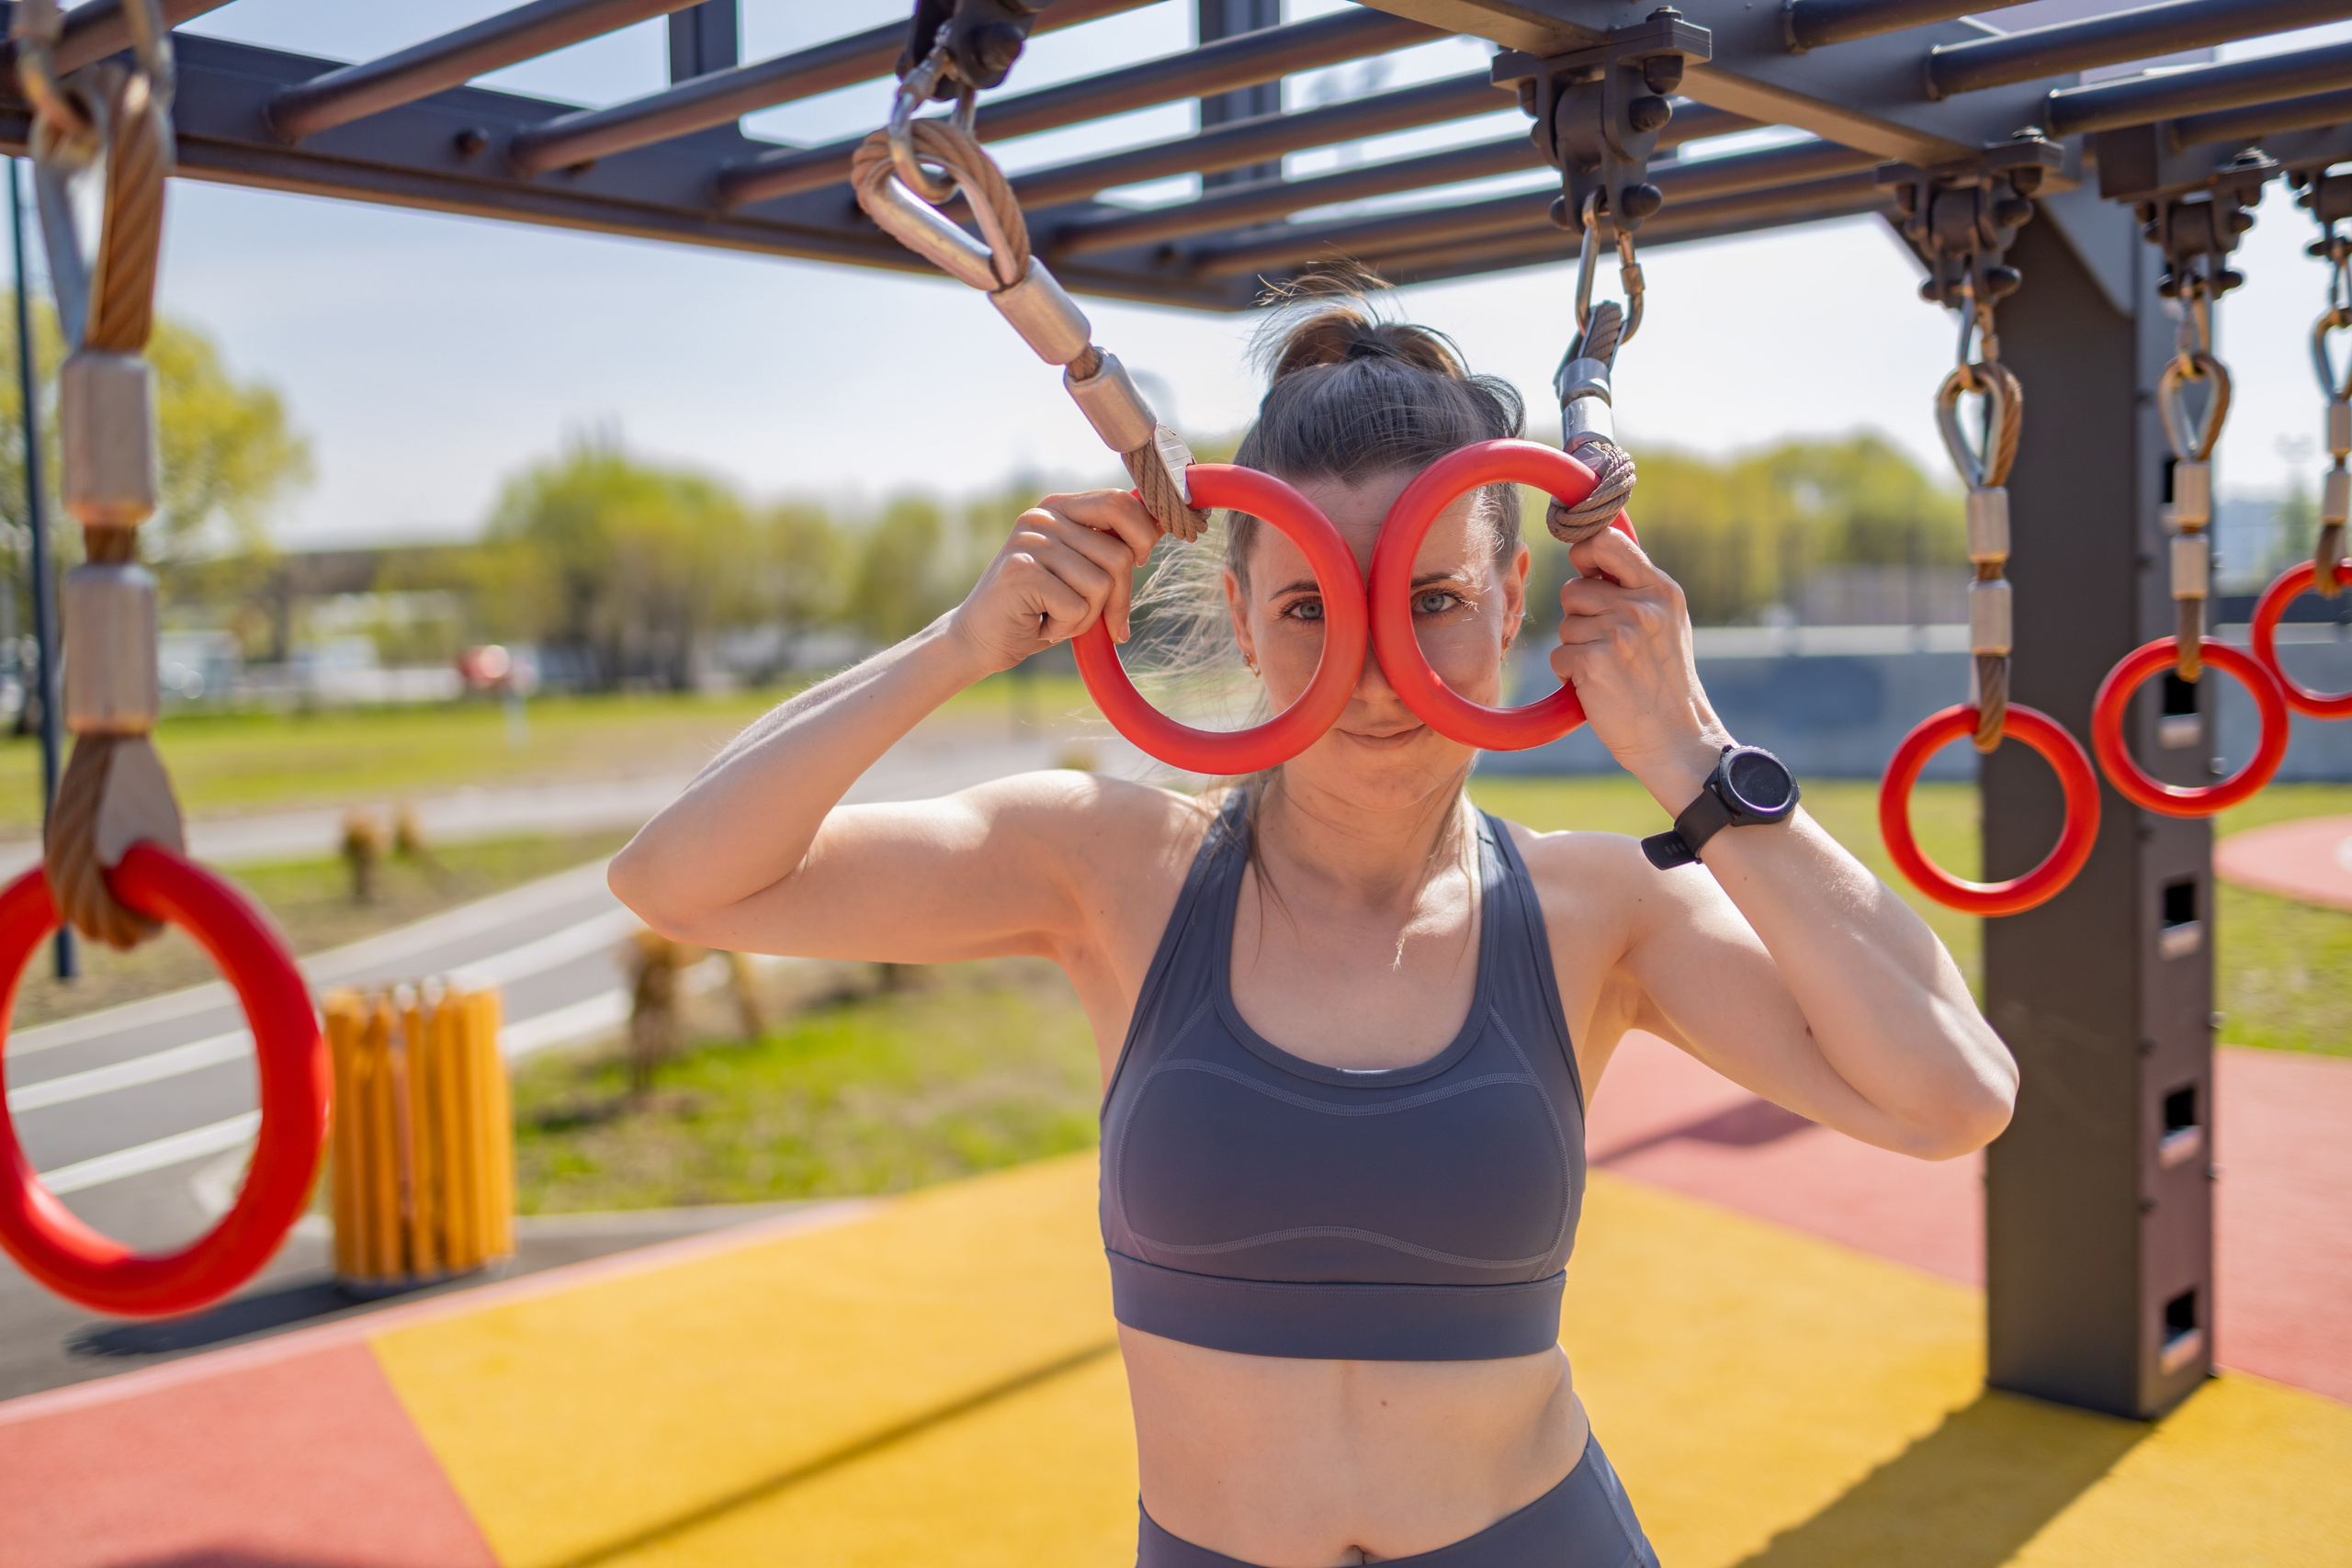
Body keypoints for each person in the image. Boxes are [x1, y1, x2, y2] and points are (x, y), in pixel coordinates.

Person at [609, 289, 2017, 1568]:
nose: (1375, 667)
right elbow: (681, 883)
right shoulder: (1112, 866)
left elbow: (1951, 1097)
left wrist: (1695, 755)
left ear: (1517, 602)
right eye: (1310, 606)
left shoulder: (1602, 907)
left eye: (1433, 601)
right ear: (1237, 619)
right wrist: (964, 644)